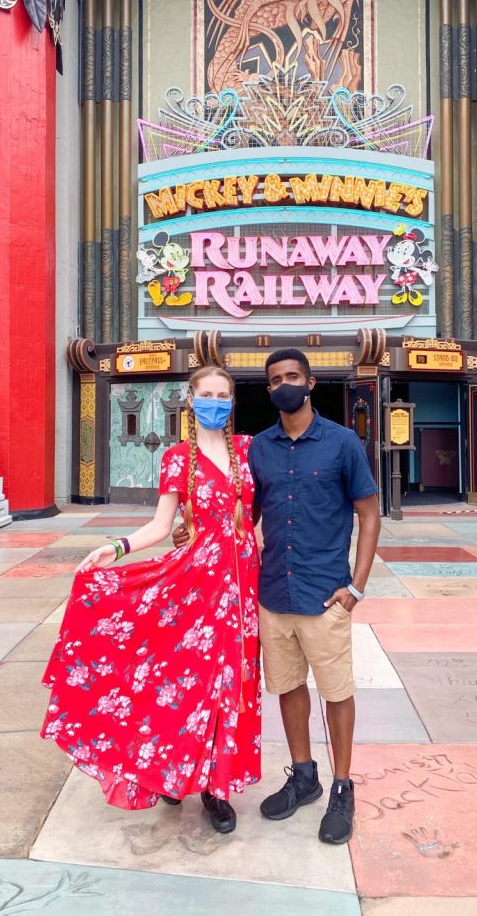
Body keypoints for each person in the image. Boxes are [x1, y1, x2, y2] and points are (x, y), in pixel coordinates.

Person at [41, 366, 261, 835]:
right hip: (193, 589)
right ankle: (172, 770)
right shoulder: (178, 458)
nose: (215, 402)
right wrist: (115, 547)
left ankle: (215, 789)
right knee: (184, 681)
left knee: (231, 687)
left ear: (232, 400)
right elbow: (162, 527)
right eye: (207, 394)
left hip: (242, 591)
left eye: (223, 394)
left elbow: (261, 514)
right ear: (191, 397)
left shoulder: (249, 450)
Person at [176, 349, 380, 843]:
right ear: (267, 391)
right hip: (271, 593)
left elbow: (370, 515)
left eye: (293, 376)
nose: (285, 384)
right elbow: (246, 511)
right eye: (275, 380)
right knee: (288, 688)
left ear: (309, 384)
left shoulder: (342, 442)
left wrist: (356, 586)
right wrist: (195, 534)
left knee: (336, 692)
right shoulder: (257, 449)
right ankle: (303, 775)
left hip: (324, 593)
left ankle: (341, 786)